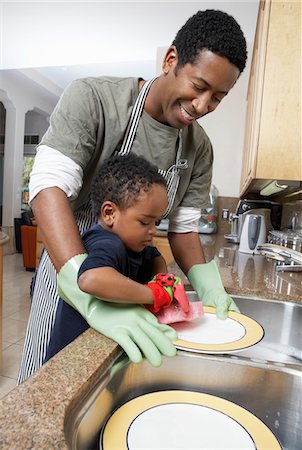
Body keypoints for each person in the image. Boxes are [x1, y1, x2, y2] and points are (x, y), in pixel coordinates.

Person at [18, 9, 247, 384]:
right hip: (69, 269)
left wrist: (210, 288)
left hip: (130, 283)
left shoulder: (198, 148)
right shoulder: (94, 99)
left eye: (218, 98)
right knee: (46, 382)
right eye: (199, 86)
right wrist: (84, 286)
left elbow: (184, 230)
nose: (203, 106)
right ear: (171, 60)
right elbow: (46, 190)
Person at [45, 153, 189, 362]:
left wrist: (161, 281)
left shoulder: (137, 242)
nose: (152, 231)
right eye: (144, 222)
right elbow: (91, 280)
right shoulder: (107, 242)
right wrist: (152, 294)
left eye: (156, 223)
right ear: (110, 213)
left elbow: (155, 257)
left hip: (104, 346)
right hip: (74, 354)